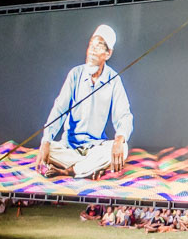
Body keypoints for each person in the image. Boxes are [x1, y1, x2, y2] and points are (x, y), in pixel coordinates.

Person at [36, 25, 134, 179]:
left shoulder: (114, 80)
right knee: (48, 149)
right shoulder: (75, 74)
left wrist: (119, 140)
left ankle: (69, 171)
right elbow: (59, 110)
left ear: (108, 54)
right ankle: (86, 169)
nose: (92, 51)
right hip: (69, 148)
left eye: (99, 46)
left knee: (123, 148)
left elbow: (124, 116)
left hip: (95, 147)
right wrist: (46, 140)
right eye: (91, 45)